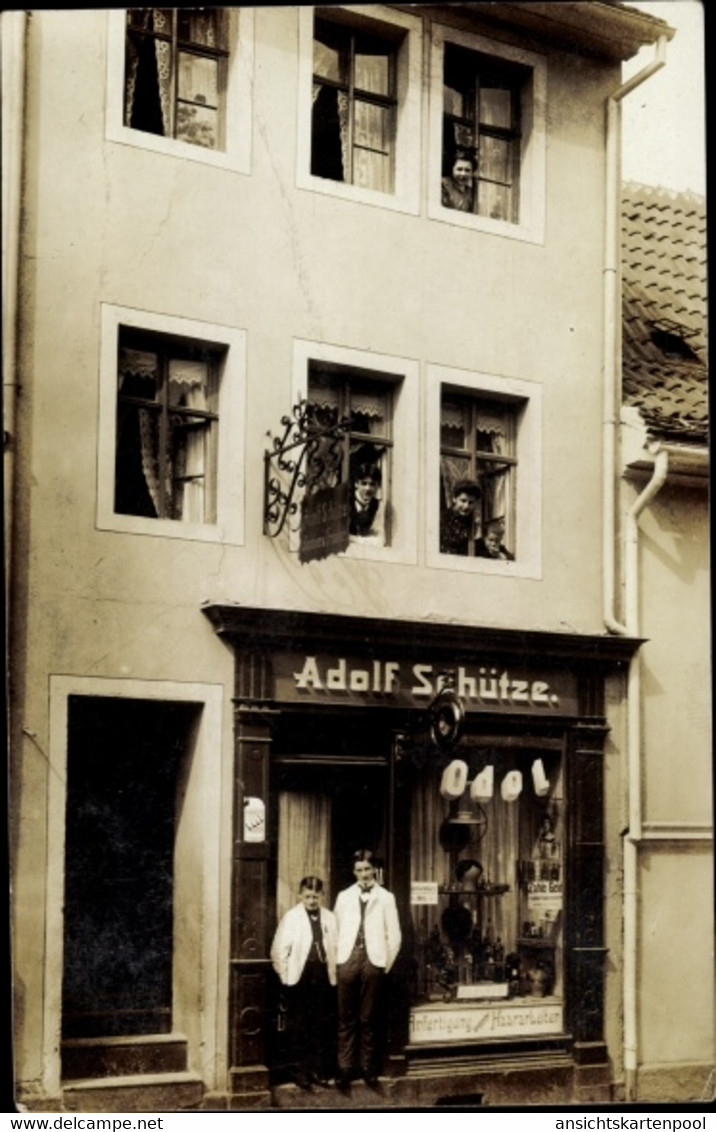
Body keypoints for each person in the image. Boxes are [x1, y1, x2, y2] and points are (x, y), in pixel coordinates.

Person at [333, 850, 401, 1092]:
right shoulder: (343, 897)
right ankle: (345, 1070)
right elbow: (336, 930)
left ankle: (368, 1070)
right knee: (345, 1018)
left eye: (367, 869)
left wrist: (382, 964)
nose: (363, 874)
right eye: (359, 870)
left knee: (368, 1017)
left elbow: (394, 936)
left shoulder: (386, 898)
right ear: (354, 872)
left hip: (373, 960)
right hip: (347, 959)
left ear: (374, 870)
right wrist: (339, 961)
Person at [270, 876, 337, 1089]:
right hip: (300, 976)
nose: (311, 901)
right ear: (300, 896)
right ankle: (300, 1072)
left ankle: (318, 1070)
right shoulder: (292, 917)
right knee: (299, 1026)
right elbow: (279, 950)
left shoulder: (329, 917)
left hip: (323, 975)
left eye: (315, 897)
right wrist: (286, 977)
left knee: (321, 1025)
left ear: (322, 896)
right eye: (307, 896)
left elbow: (335, 947)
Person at [349, 445, 384, 543]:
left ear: (378, 486)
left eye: (372, 484)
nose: (368, 488)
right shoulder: (345, 501)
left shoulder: (378, 506)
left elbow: (380, 539)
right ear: (356, 483)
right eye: (364, 483)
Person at [440, 478, 481, 556]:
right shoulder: (442, 519)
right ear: (454, 499)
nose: (466, 506)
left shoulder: (473, 524)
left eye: (471, 502)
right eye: (463, 501)